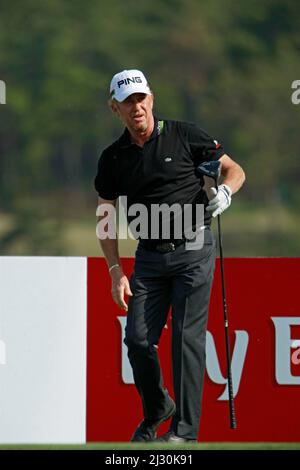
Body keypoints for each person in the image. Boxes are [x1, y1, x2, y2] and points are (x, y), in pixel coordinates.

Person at [94, 69, 245, 443]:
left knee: (185, 338)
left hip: (194, 248)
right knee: (138, 340)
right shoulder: (113, 158)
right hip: (149, 257)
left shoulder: (185, 134)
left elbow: (234, 170)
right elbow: (105, 213)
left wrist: (226, 191)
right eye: (127, 102)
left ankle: (184, 433)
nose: (137, 107)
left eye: (141, 98)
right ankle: (159, 408)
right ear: (115, 109)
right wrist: (115, 270)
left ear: (152, 98)